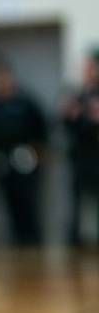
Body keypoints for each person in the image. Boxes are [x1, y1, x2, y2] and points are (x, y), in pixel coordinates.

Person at [0, 63, 48, 247]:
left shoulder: (26, 103)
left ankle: (34, 242)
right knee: (9, 206)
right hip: (3, 164)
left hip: (26, 162)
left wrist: (39, 153)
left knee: (28, 205)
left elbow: (41, 130)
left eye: (3, 78)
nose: (0, 83)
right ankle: (16, 243)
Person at [61, 51, 99, 248]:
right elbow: (68, 124)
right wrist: (72, 116)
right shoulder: (79, 95)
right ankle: (76, 241)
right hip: (82, 158)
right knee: (79, 201)